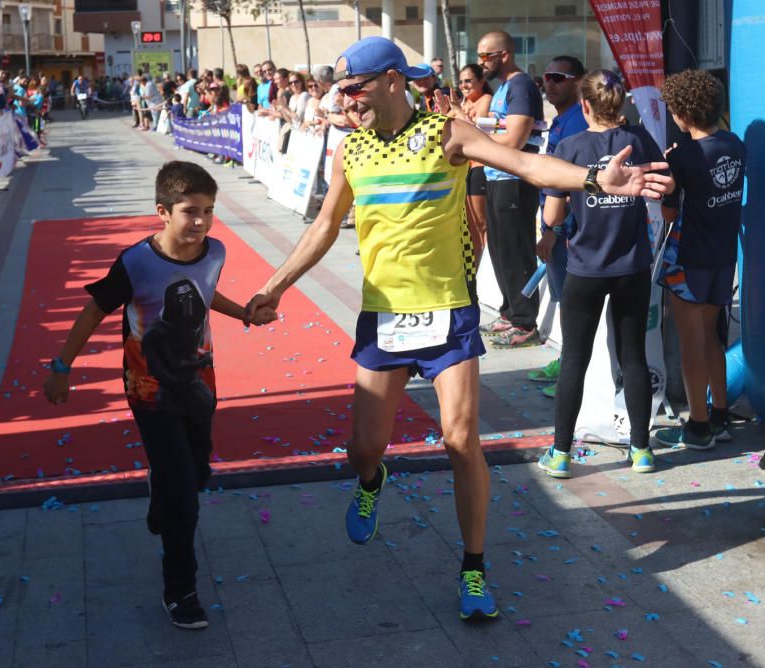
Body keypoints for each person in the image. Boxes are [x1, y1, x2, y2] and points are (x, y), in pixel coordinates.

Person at [243, 37, 671, 622]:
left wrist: (594, 180)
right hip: (384, 317)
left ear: (393, 79)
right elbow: (323, 226)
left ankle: (473, 568)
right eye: (341, 90)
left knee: (460, 440)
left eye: (355, 87)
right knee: (362, 447)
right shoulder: (351, 151)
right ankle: (373, 479)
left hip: (448, 312)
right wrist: (275, 285)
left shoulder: (446, 132)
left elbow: (524, 162)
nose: (344, 100)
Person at [43, 161, 267, 630]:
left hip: (200, 383)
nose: (201, 222)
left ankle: (162, 489)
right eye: (190, 211)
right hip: (149, 390)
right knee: (184, 495)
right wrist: (63, 367)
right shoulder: (135, 263)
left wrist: (244, 312)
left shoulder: (216, 251)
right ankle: (180, 590)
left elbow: (206, 296)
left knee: (198, 468)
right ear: (162, 211)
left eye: (209, 211)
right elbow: (92, 313)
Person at [536, 70, 672, 479]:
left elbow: (553, 212)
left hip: (585, 268)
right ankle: (642, 450)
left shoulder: (570, 145)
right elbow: (667, 184)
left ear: (585, 106)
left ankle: (560, 454)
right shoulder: (640, 139)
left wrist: (551, 231)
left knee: (574, 357)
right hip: (632, 265)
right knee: (632, 356)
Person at [654, 69, 745, 450]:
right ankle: (720, 413)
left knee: (692, 343)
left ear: (683, 114)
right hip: (723, 255)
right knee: (711, 337)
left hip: (689, 257)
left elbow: (670, 214)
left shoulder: (684, 156)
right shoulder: (735, 144)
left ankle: (698, 426)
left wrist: (669, 167)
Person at [476, 30, 546, 349]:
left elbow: (515, 140)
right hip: (496, 175)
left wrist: (477, 140)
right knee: (500, 250)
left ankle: (525, 323)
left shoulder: (520, 85)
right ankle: (509, 311)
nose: (481, 63)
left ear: (505, 55)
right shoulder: (503, 87)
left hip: (515, 180)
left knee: (517, 251)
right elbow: (497, 131)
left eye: (486, 56)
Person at [529, 56, 589, 396]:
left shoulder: (579, 122)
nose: (548, 84)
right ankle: (569, 360)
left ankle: (573, 369)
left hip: (568, 227)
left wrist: (553, 230)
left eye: (557, 77)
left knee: (572, 301)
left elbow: (570, 182)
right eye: (545, 77)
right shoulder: (564, 119)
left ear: (578, 82)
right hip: (555, 222)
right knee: (564, 298)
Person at [434, 63, 493, 266]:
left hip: (478, 167)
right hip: (461, 169)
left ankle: (488, 269)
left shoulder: (485, 100)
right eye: (461, 81)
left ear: (481, 82)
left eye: (469, 80)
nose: (464, 85)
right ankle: (476, 270)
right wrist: (445, 111)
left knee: (481, 222)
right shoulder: (462, 103)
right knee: (469, 224)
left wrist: (457, 110)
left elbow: (476, 133)